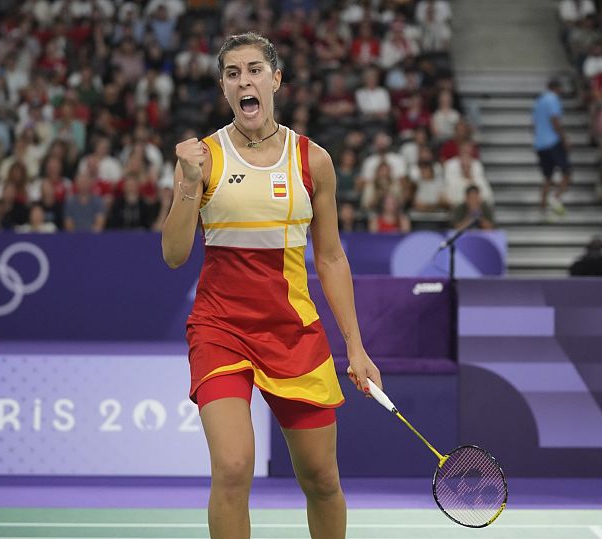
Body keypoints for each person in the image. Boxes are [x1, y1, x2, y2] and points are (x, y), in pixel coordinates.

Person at [161, 33, 380, 539]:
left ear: (275, 79)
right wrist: (188, 182)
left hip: (291, 331)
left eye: (255, 70)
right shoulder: (203, 158)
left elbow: (329, 256)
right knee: (234, 468)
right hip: (221, 329)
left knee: (322, 479)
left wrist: (356, 346)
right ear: (224, 88)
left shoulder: (312, 160)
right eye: (233, 74)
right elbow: (174, 255)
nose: (245, 81)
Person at [533, 78, 572, 215]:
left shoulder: (538, 101)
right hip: (553, 142)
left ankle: (543, 206)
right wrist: (564, 140)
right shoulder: (553, 99)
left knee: (548, 177)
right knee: (567, 172)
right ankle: (555, 198)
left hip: (540, 145)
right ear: (557, 88)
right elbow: (555, 121)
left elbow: (534, 124)